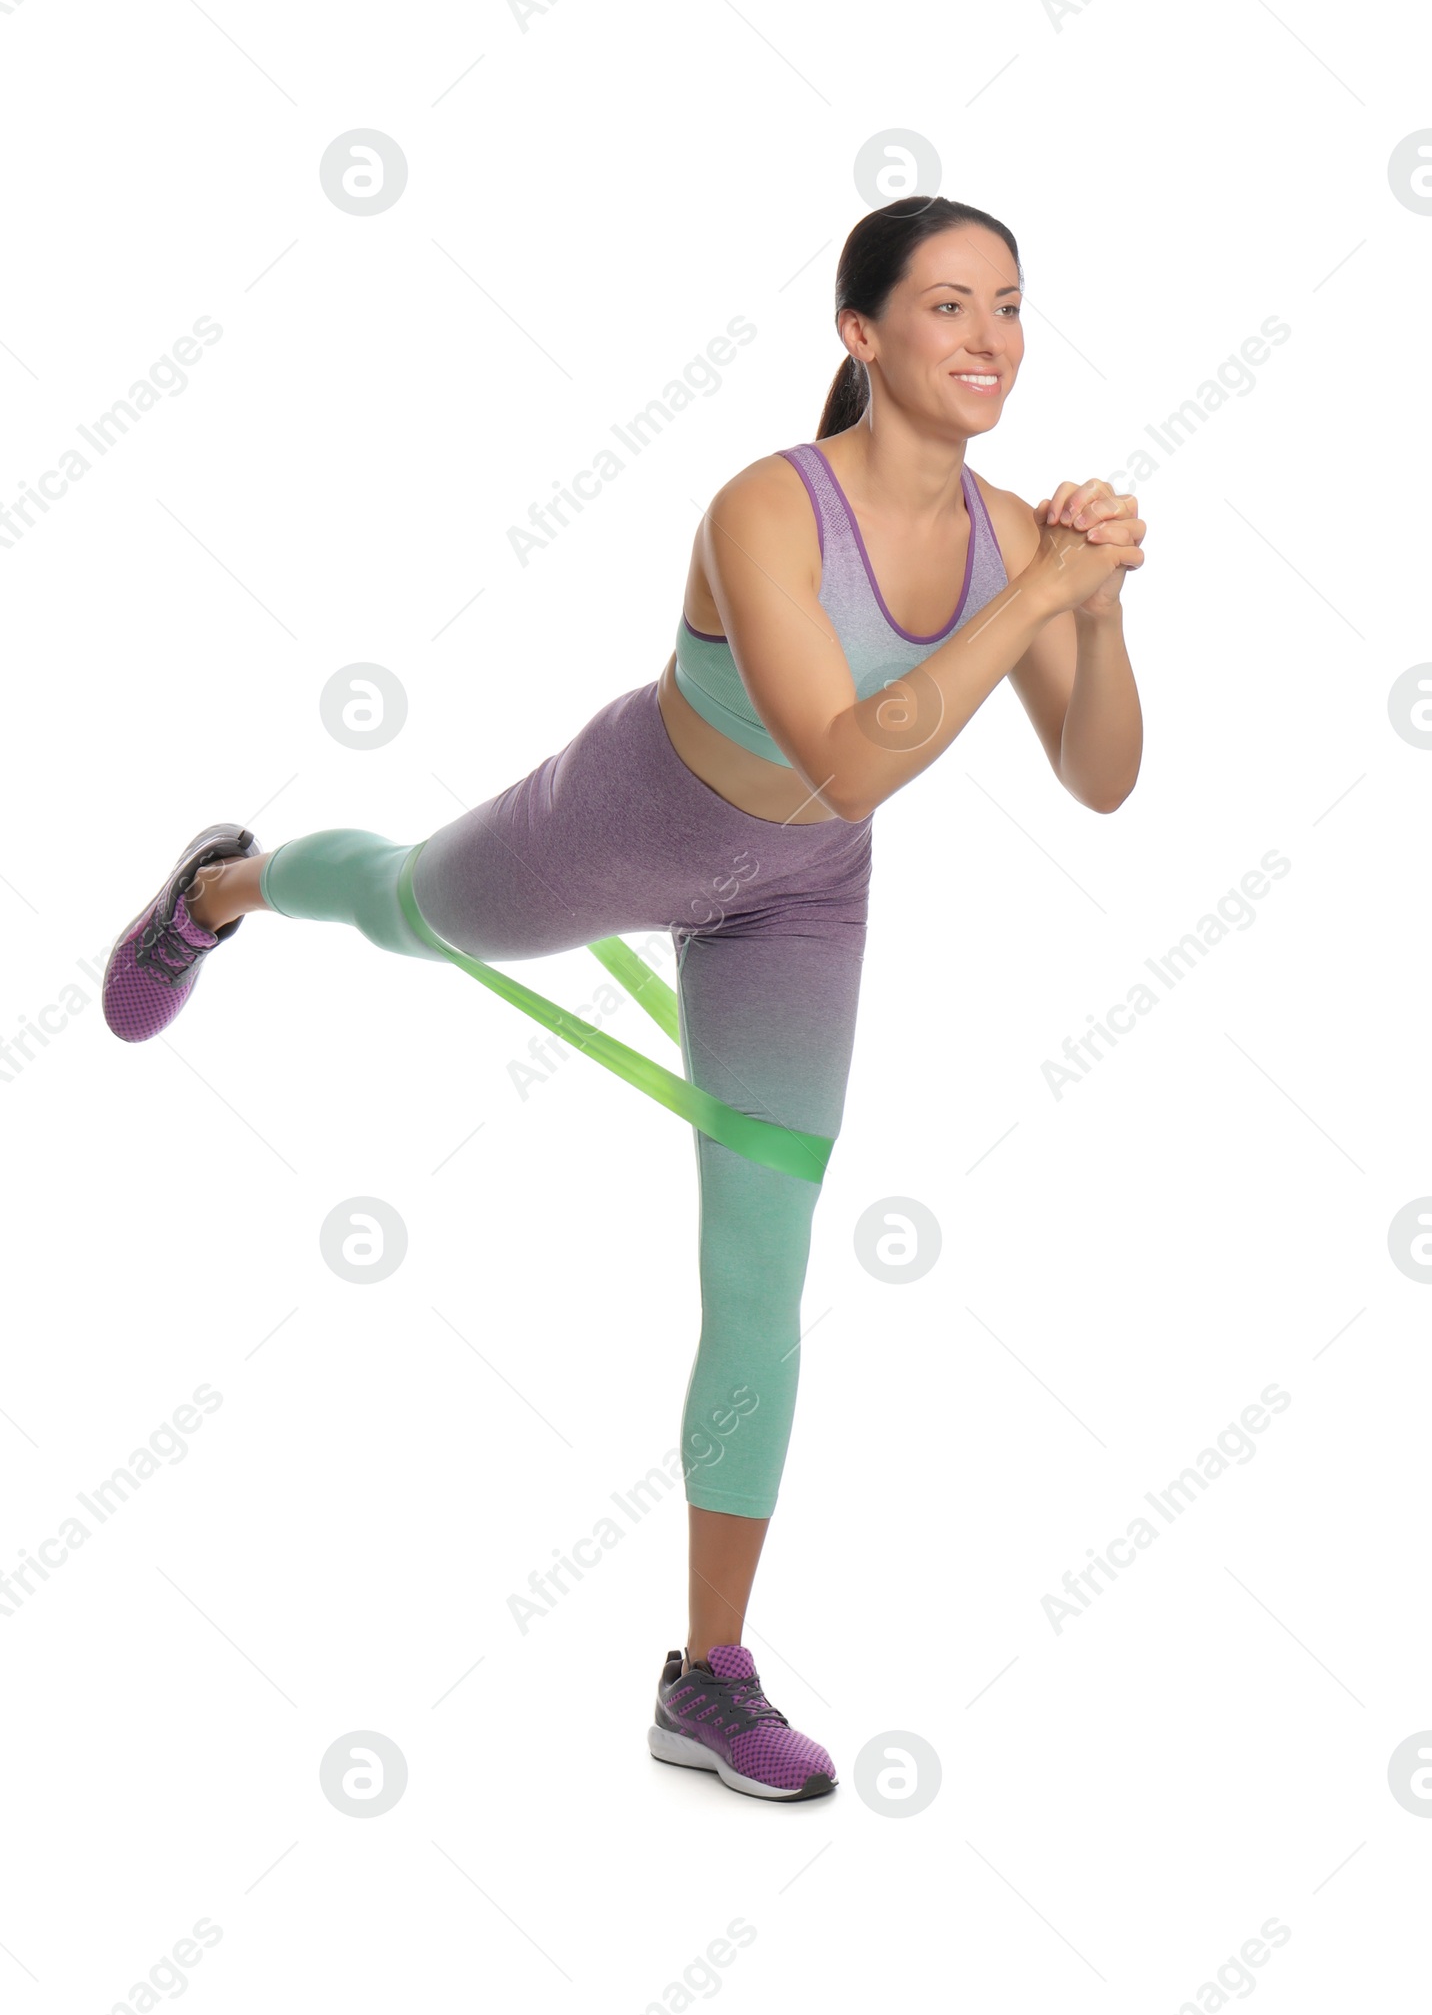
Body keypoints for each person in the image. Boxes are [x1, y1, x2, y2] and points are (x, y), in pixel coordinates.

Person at [102, 196, 1145, 1802]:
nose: (991, 338)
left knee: (760, 1268)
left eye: (1010, 304)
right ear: (862, 335)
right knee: (398, 906)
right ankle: (220, 888)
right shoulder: (766, 510)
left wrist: (1100, 603)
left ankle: (707, 1675)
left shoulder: (1016, 538)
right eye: (948, 306)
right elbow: (849, 748)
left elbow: (1101, 777)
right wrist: (1039, 593)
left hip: (798, 901)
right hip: (623, 821)